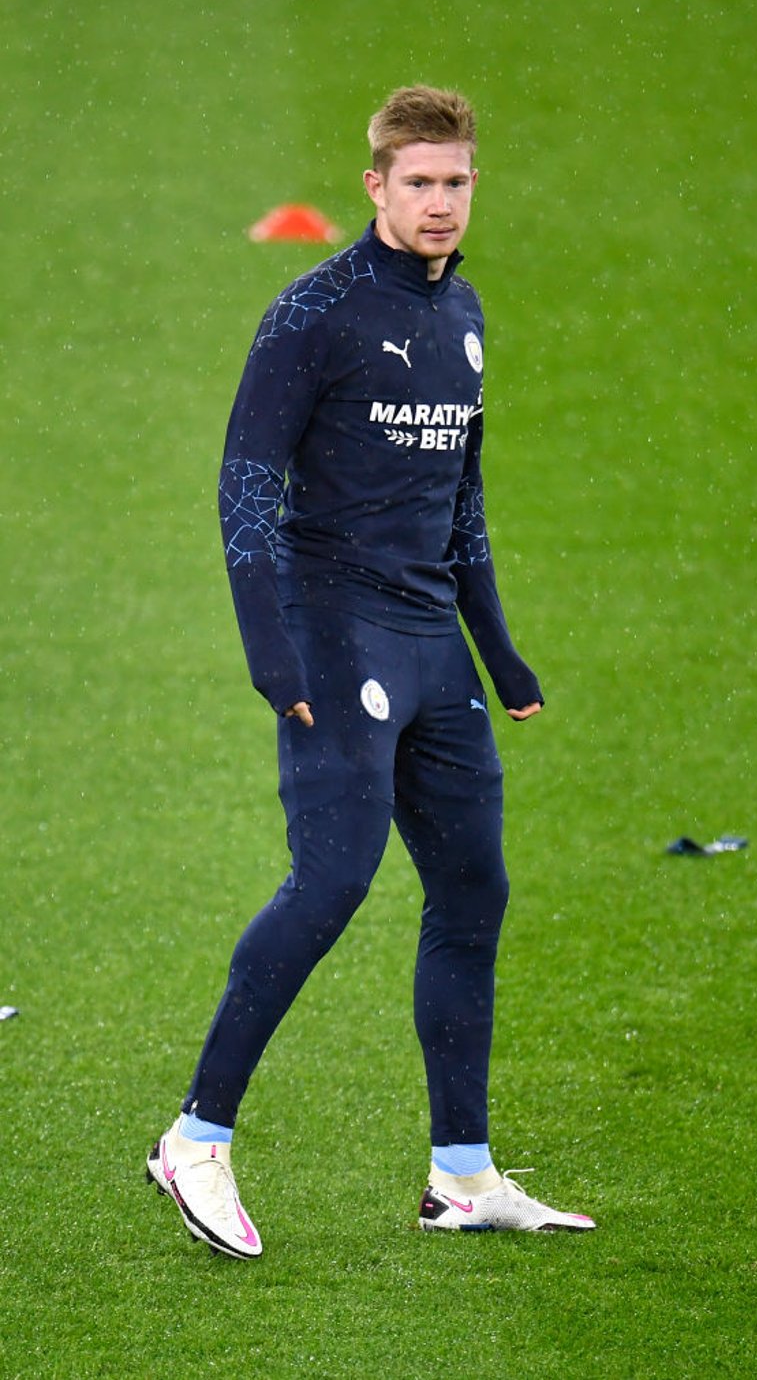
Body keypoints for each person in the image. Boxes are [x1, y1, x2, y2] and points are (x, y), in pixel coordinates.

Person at [146, 86, 595, 1257]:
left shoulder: (468, 317)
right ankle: (195, 1136)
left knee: (472, 891)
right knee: (332, 879)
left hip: (431, 642)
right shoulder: (316, 311)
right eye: (419, 184)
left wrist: (498, 653)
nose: (440, 204)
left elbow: (464, 501)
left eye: (456, 183)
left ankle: (462, 1173)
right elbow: (245, 486)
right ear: (377, 187)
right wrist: (269, 651)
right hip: (333, 633)